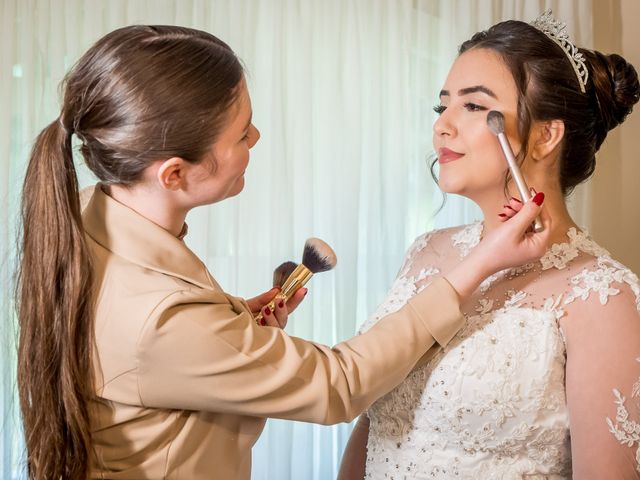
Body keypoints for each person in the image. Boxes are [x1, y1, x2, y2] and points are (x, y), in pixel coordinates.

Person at [15, 25, 549, 480]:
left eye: (474, 104)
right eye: (241, 133)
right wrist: (478, 265)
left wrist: (232, 328)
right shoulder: (160, 318)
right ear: (173, 173)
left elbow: (160, 362)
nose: (258, 136)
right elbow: (340, 385)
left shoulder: (87, 215)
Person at [338, 12, 640, 480]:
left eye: (474, 107)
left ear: (545, 135)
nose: (443, 126)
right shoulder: (426, 253)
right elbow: (376, 423)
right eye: (442, 107)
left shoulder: (602, 295)